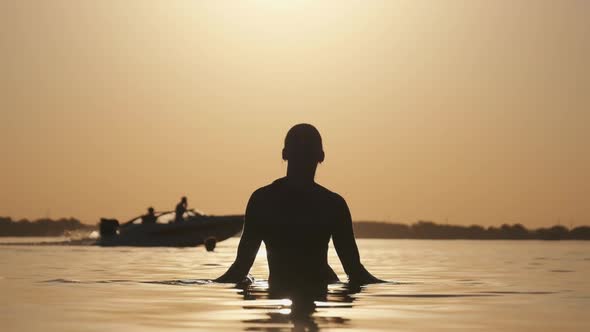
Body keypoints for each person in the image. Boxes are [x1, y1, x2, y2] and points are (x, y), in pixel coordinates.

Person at [216, 124, 383, 296]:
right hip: (318, 290)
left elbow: (240, 269)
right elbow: (355, 272)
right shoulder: (332, 204)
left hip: (282, 295)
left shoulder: (263, 200)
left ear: (285, 154)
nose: (303, 156)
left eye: (306, 151)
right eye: (300, 150)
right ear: (321, 156)